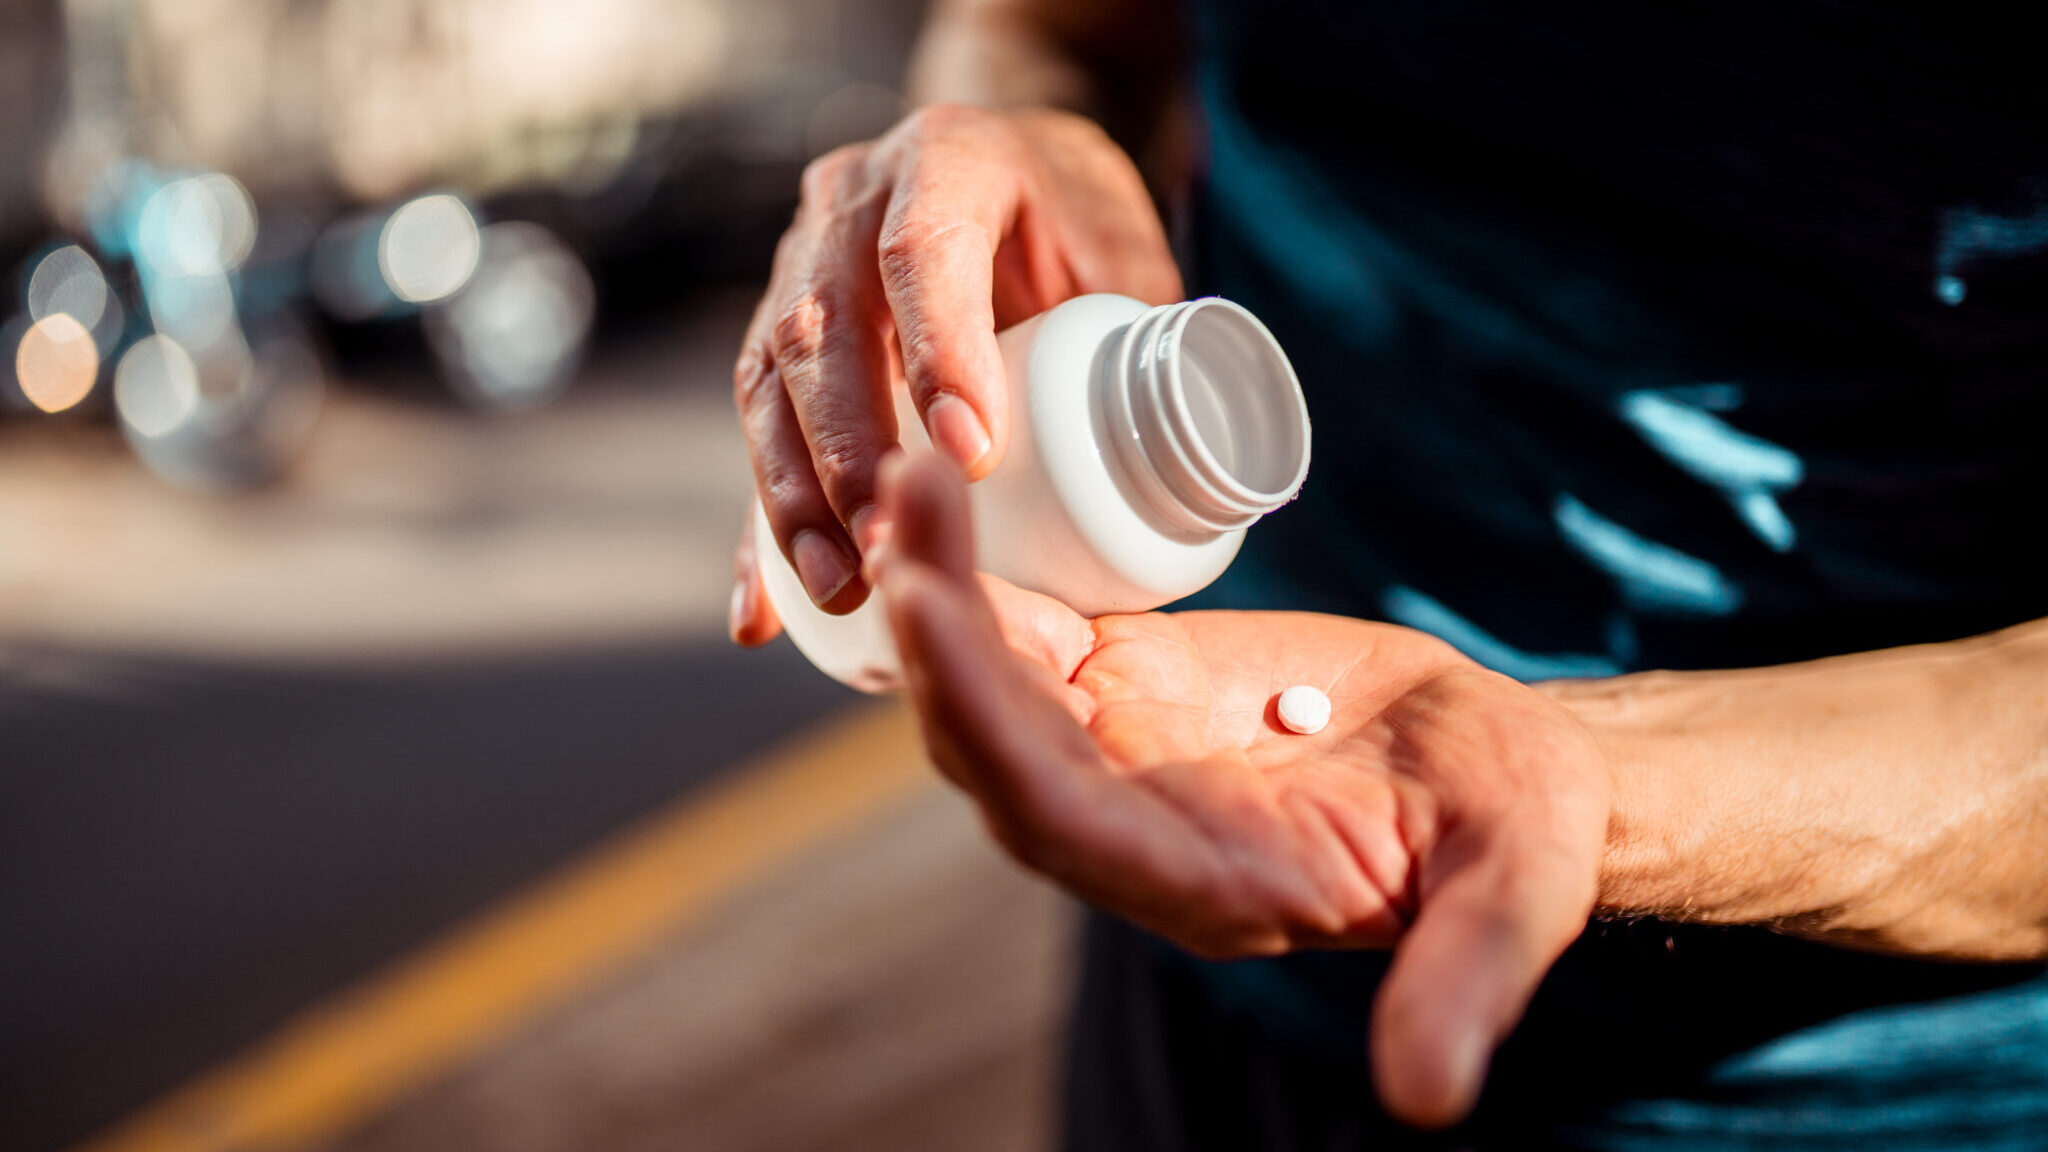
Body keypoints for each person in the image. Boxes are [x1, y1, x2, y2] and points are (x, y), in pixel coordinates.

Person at [730, 1, 2048, 1147]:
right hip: (1197, 851)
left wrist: (1607, 785)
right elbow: (1059, 21)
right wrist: (1016, 132)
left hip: (1835, 1085)